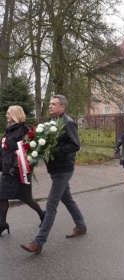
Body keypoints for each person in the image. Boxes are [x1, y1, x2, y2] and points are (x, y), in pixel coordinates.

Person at [21, 95, 87, 253]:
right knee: (67, 199)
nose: (50, 106)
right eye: (50, 104)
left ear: (62, 107)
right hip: (55, 168)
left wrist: (53, 152)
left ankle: (38, 242)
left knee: (51, 205)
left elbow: (75, 145)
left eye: (53, 104)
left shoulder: (68, 123)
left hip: (64, 169)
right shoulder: (51, 122)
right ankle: (81, 225)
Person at [0, 106, 45, 236]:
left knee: (26, 197)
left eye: (9, 114)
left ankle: (43, 215)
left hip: (18, 171)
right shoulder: (9, 130)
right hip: (7, 170)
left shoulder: (23, 131)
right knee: (2, 197)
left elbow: (24, 151)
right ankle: (2, 224)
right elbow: (4, 149)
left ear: (15, 115)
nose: (6, 116)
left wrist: (15, 167)